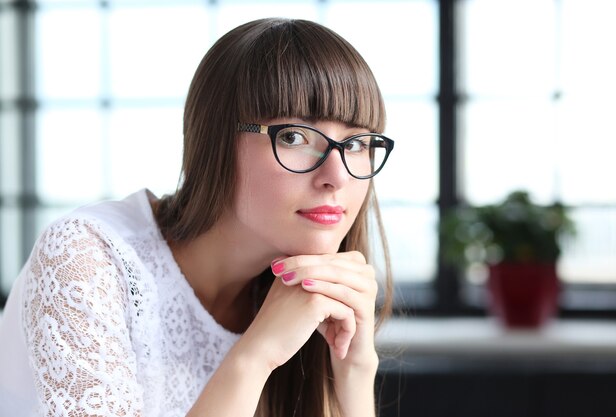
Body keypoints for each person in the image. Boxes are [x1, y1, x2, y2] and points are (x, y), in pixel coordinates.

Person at [0, 17, 395, 417]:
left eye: (359, 143)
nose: (338, 176)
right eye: (294, 136)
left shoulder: (300, 296)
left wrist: (357, 372)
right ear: (215, 141)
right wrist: (254, 358)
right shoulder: (88, 259)